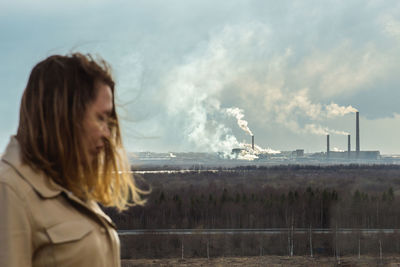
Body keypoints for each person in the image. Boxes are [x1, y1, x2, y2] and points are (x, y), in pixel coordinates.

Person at [0, 53, 146, 267]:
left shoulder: (71, 190)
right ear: (64, 115)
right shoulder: (10, 191)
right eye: (100, 118)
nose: (107, 133)